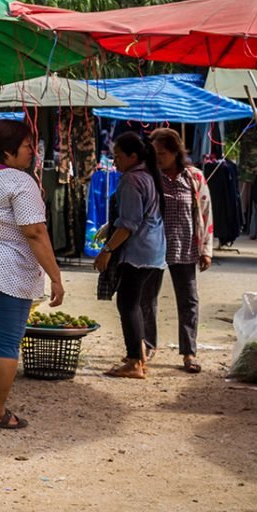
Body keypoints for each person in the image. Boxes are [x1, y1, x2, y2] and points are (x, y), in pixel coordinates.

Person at [0, 120, 64, 429]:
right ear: (8, 151)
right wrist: (55, 276)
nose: (32, 152)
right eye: (27, 146)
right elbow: (34, 232)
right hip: (8, 270)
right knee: (6, 343)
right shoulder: (20, 181)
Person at [94, 132, 166, 380]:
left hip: (138, 251)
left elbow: (128, 225)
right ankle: (140, 355)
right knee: (133, 303)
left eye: (117, 157)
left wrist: (107, 251)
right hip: (154, 251)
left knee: (128, 303)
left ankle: (135, 361)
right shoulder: (148, 175)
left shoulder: (132, 180)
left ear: (132, 156)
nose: (114, 163)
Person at [149, 128, 214, 374]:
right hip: (154, 249)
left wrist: (206, 250)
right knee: (148, 299)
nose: (158, 158)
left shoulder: (194, 177)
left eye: (162, 153)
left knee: (189, 301)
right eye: (154, 154)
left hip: (186, 248)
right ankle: (147, 347)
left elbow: (206, 214)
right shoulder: (150, 177)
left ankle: (189, 353)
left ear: (176, 152)